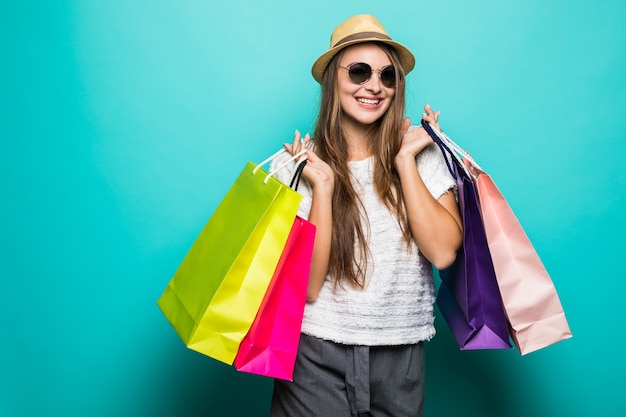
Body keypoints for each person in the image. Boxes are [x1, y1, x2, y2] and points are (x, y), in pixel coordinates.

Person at [269, 14, 463, 417]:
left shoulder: (423, 156)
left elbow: (444, 252)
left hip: (400, 359)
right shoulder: (297, 167)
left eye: (387, 75)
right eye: (359, 71)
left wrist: (405, 161)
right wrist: (322, 188)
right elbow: (306, 287)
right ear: (332, 80)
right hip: (314, 357)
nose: (374, 86)